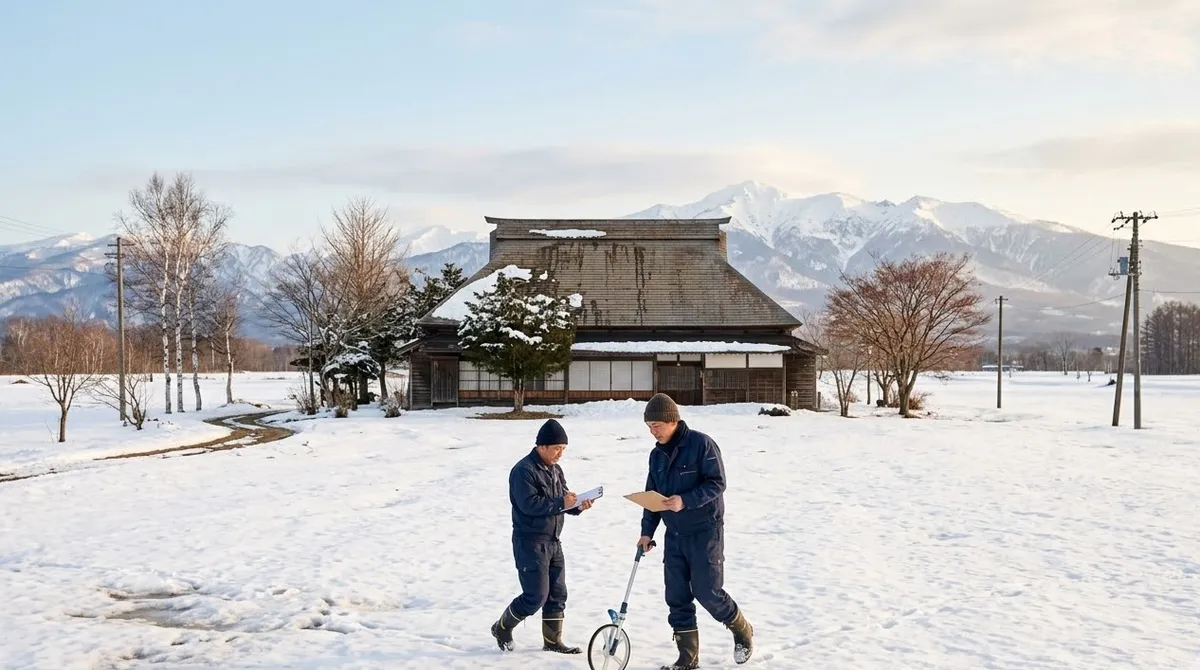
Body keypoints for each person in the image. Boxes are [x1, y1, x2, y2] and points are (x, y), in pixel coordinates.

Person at [637, 393, 753, 669]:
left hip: (704, 532)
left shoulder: (701, 444)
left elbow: (717, 483)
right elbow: (652, 496)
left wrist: (685, 500)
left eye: (656, 426)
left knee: (707, 592)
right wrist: (647, 532)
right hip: (674, 535)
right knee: (676, 596)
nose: (653, 432)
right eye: (649, 427)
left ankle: (742, 629)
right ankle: (687, 659)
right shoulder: (656, 455)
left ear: (672, 421)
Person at [491, 418, 594, 654]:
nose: (560, 454)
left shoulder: (556, 470)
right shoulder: (523, 471)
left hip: (554, 541)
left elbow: (562, 500)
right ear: (542, 446)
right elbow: (529, 505)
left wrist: (577, 505)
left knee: (557, 594)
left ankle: (553, 642)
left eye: (563, 449)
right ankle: (502, 627)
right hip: (530, 542)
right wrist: (561, 503)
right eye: (557, 448)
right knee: (535, 596)